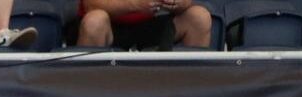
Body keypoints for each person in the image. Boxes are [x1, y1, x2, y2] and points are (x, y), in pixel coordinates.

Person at [77, 0, 211, 47]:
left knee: (199, 17)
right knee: (95, 21)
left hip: (150, 23)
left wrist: (179, 3)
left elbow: (186, 3)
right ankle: (84, 95)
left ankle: (193, 94)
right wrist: (136, 4)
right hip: (109, 26)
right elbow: (91, 5)